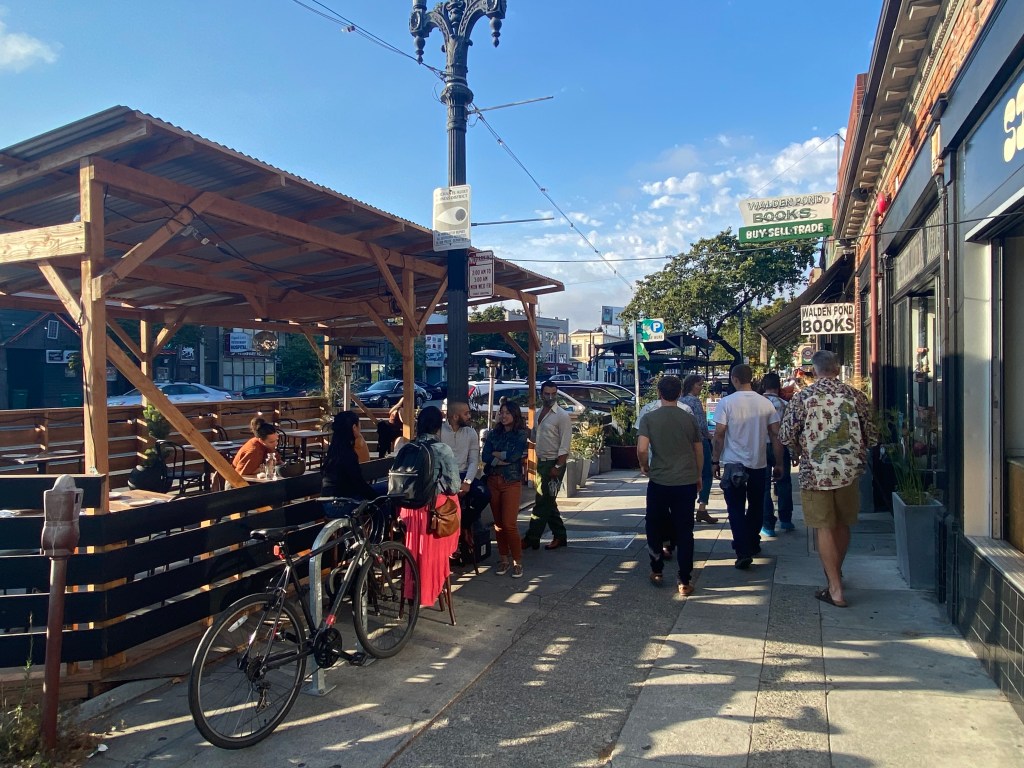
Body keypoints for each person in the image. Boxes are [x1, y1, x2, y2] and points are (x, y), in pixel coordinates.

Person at [780, 350, 878, 608]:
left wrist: (797, 450)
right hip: (849, 469)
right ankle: (836, 572)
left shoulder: (804, 397)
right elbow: (872, 434)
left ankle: (834, 587)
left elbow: (787, 434)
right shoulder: (856, 396)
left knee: (823, 526)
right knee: (842, 523)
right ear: (837, 368)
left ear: (815, 370)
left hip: (816, 471)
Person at [712, 364, 783, 570]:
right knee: (756, 506)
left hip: (734, 463)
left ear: (734, 379)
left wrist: (715, 460)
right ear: (751, 379)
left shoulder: (726, 403)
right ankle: (751, 541)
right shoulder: (765, 404)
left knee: (734, 507)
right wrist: (778, 462)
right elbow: (775, 435)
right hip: (758, 462)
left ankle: (742, 549)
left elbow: (719, 434)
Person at [637, 376, 703, 596]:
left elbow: (642, 449)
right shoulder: (689, 418)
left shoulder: (649, 418)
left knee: (654, 525)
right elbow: (698, 449)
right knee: (685, 531)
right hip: (685, 480)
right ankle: (684, 579)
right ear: (679, 393)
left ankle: (656, 569)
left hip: (659, 480)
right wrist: (698, 474)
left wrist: (644, 466)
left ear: (659, 393)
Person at [398, 406, 462, 607]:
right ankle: (433, 582)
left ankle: (411, 590)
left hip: (407, 511)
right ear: (438, 427)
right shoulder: (442, 449)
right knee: (455, 507)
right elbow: (454, 486)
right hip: (431, 513)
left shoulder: (407, 447)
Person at [482, 400, 529, 577]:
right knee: (499, 525)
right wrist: (500, 458)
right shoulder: (494, 433)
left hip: (511, 481)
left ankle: (517, 560)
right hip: (493, 481)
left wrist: (497, 455)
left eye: (507, 413)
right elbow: (485, 455)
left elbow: (515, 455)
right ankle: (503, 559)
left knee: (509, 524)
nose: (503, 416)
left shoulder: (520, 434)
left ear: (514, 415)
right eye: (501, 412)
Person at [523, 380, 572, 551]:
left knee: (542, 501)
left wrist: (558, 467)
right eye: (547, 394)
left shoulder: (562, 416)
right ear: (541, 394)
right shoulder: (538, 414)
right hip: (542, 462)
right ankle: (560, 535)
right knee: (548, 501)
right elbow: (535, 438)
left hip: (554, 463)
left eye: (553, 394)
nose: (550, 397)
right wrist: (527, 432)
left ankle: (532, 537)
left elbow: (565, 444)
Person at [759, 372, 795, 537]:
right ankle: (786, 519)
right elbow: (790, 429)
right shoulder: (784, 403)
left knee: (764, 486)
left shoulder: (758, 403)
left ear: (763, 385)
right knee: (784, 482)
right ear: (778, 386)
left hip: (761, 446)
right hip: (781, 445)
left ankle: (768, 524)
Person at [680, 374, 718, 525]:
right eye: (699, 385)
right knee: (706, 473)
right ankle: (702, 506)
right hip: (699, 441)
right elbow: (701, 424)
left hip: (684, 442)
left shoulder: (680, 401)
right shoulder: (694, 401)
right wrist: (709, 436)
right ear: (691, 385)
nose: (701, 388)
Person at [321, 411, 377, 501]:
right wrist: (378, 499)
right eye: (359, 424)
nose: (360, 427)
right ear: (354, 427)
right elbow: (359, 484)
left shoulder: (335, 449)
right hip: (343, 503)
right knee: (385, 492)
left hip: (328, 502)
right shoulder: (348, 453)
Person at [441, 401, 480, 493]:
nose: (469, 417)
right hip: (444, 476)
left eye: (469, 413)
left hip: (464, 474)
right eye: (466, 414)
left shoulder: (471, 433)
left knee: (484, 493)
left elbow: (474, 461)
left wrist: (467, 482)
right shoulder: (439, 431)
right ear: (455, 417)